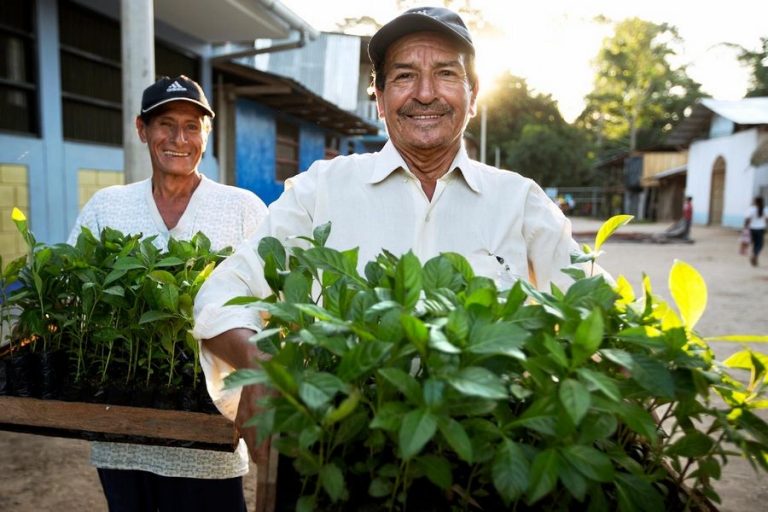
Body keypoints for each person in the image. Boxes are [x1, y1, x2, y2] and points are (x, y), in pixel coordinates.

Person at [192, 6, 585, 469]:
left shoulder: (519, 201)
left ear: (474, 94)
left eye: (445, 73)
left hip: (480, 463)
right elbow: (222, 294)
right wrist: (258, 363)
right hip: (340, 456)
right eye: (403, 76)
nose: (424, 94)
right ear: (378, 98)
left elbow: (591, 310)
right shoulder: (323, 189)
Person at [67, 75, 268, 511]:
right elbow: (74, 296)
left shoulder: (242, 208)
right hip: (122, 430)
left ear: (205, 135)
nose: (180, 138)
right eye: (166, 124)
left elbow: (270, 307)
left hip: (210, 431)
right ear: (142, 130)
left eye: (192, 126)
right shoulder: (107, 206)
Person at [744, 196, 766, 266]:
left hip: (752, 229)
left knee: (754, 243)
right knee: (759, 244)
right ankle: (755, 255)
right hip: (761, 229)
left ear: (755, 202)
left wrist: (745, 228)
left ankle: (754, 255)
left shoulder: (751, 209)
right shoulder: (765, 209)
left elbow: (747, 219)